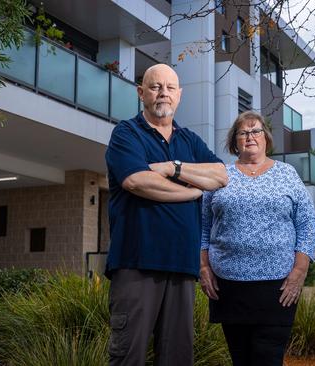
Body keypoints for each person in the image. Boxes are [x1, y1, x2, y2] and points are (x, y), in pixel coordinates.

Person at [105, 63, 228, 365]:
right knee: (128, 356)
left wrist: (173, 168)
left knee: (177, 358)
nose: (163, 93)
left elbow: (221, 175)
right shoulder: (127, 133)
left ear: (179, 95)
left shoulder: (189, 141)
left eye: (170, 88)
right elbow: (137, 181)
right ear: (141, 93)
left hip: (181, 267)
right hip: (136, 264)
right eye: (155, 86)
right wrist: (192, 190)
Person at [199, 111, 315, 366]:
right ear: (235, 141)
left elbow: (308, 223)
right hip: (228, 287)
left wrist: (299, 271)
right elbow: (203, 226)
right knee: (240, 359)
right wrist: (203, 267)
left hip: (277, 287)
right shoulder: (221, 176)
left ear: (266, 138)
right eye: (243, 132)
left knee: (268, 359)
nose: (250, 136)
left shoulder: (287, 174)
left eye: (256, 131)